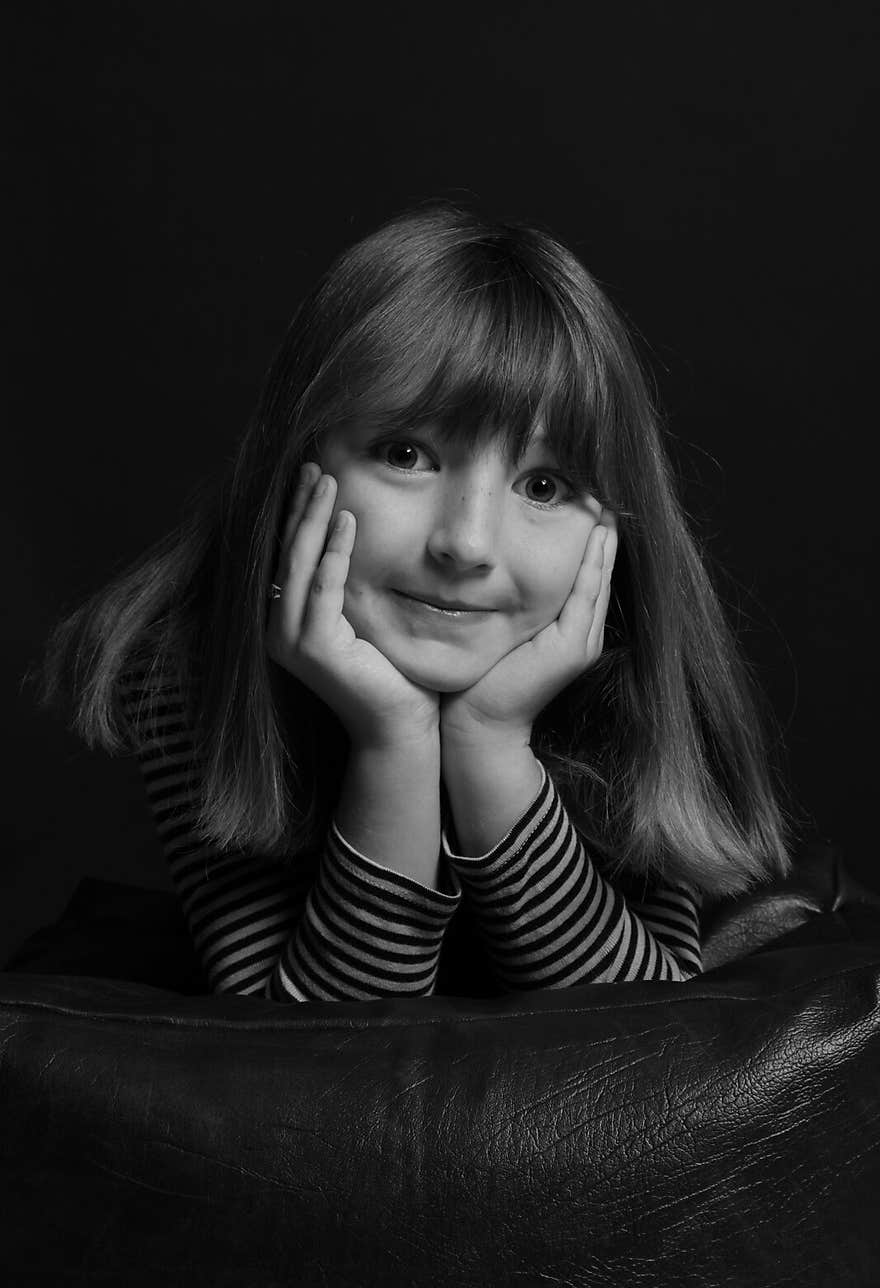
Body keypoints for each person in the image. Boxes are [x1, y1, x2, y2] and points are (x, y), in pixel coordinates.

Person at [34, 202, 797, 1003]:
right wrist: (393, 743)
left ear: (611, 526)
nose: (466, 544)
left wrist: (493, 745)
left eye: (543, 485)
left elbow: (647, 1041)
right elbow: (298, 1063)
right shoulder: (192, 653)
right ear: (296, 457)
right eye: (406, 454)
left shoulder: (637, 655)